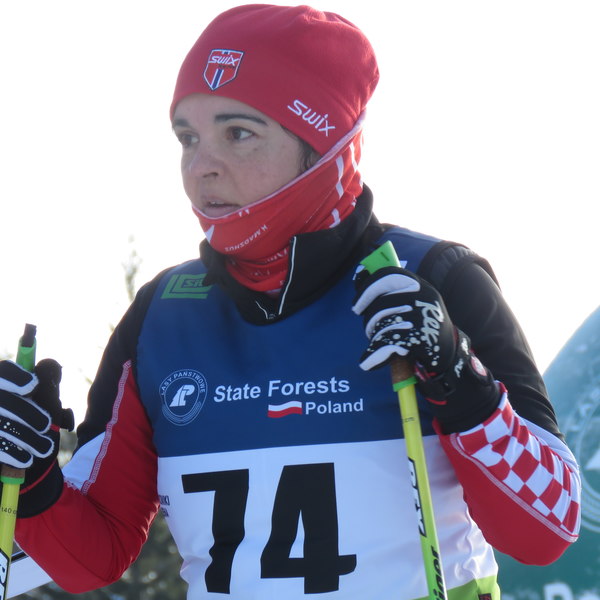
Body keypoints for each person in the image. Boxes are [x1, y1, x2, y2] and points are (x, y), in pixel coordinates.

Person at [0, 4, 581, 599]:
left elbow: (547, 529)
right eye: (187, 138)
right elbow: (91, 558)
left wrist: (457, 375)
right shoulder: (164, 317)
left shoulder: (434, 280)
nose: (201, 167)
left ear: (323, 144)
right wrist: (33, 472)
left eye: (238, 133)